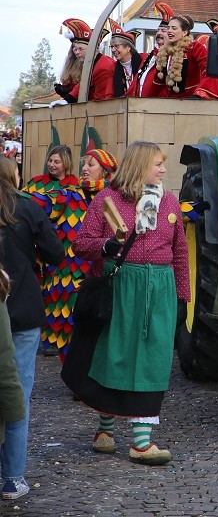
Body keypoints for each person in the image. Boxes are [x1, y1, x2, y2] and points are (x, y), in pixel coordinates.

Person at [62, 141, 191, 466]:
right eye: (158, 164)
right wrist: (107, 244)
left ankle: (141, 442)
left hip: (158, 290)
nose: (164, 170)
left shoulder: (169, 201)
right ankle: (105, 429)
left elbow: (180, 252)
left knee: (152, 358)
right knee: (113, 355)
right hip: (120, 286)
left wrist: (182, 295)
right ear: (139, 166)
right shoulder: (108, 200)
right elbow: (81, 243)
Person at [0, 156, 63, 500]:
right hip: (21, 307)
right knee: (17, 394)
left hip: (14, 306)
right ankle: (12, 478)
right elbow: (56, 254)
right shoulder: (28, 208)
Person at [22, 145, 90, 358]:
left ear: (66, 163)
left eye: (57, 161)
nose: (52, 165)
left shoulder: (75, 186)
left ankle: (55, 336)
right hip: (34, 247)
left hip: (60, 250)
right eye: (50, 160)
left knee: (56, 294)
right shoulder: (35, 183)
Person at [144, 15, 210, 98]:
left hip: (190, 100)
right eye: (168, 28)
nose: (169, 31)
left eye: (174, 28)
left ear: (185, 32)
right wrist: (149, 101)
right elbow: (158, 83)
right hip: (168, 100)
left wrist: (200, 94)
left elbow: (208, 70)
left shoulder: (195, 48)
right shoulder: (164, 50)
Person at [54, 18, 115, 103]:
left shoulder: (103, 67)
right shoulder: (91, 64)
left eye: (80, 49)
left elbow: (101, 100)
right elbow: (81, 86)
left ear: (92, 48)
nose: (77, 52)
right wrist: (68, 99)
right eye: (75, 49)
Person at [134, 2, 173, 97]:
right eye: (158, 31)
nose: (159, 33)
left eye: (163, 31)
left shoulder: (172, 56)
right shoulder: (150, 57)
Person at [107, 21, 145, 98]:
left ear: (128, 47)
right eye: (111, 47)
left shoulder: (144, 61)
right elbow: (109, 94)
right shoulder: (113, 68)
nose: (113, 50)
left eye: (117, 46)